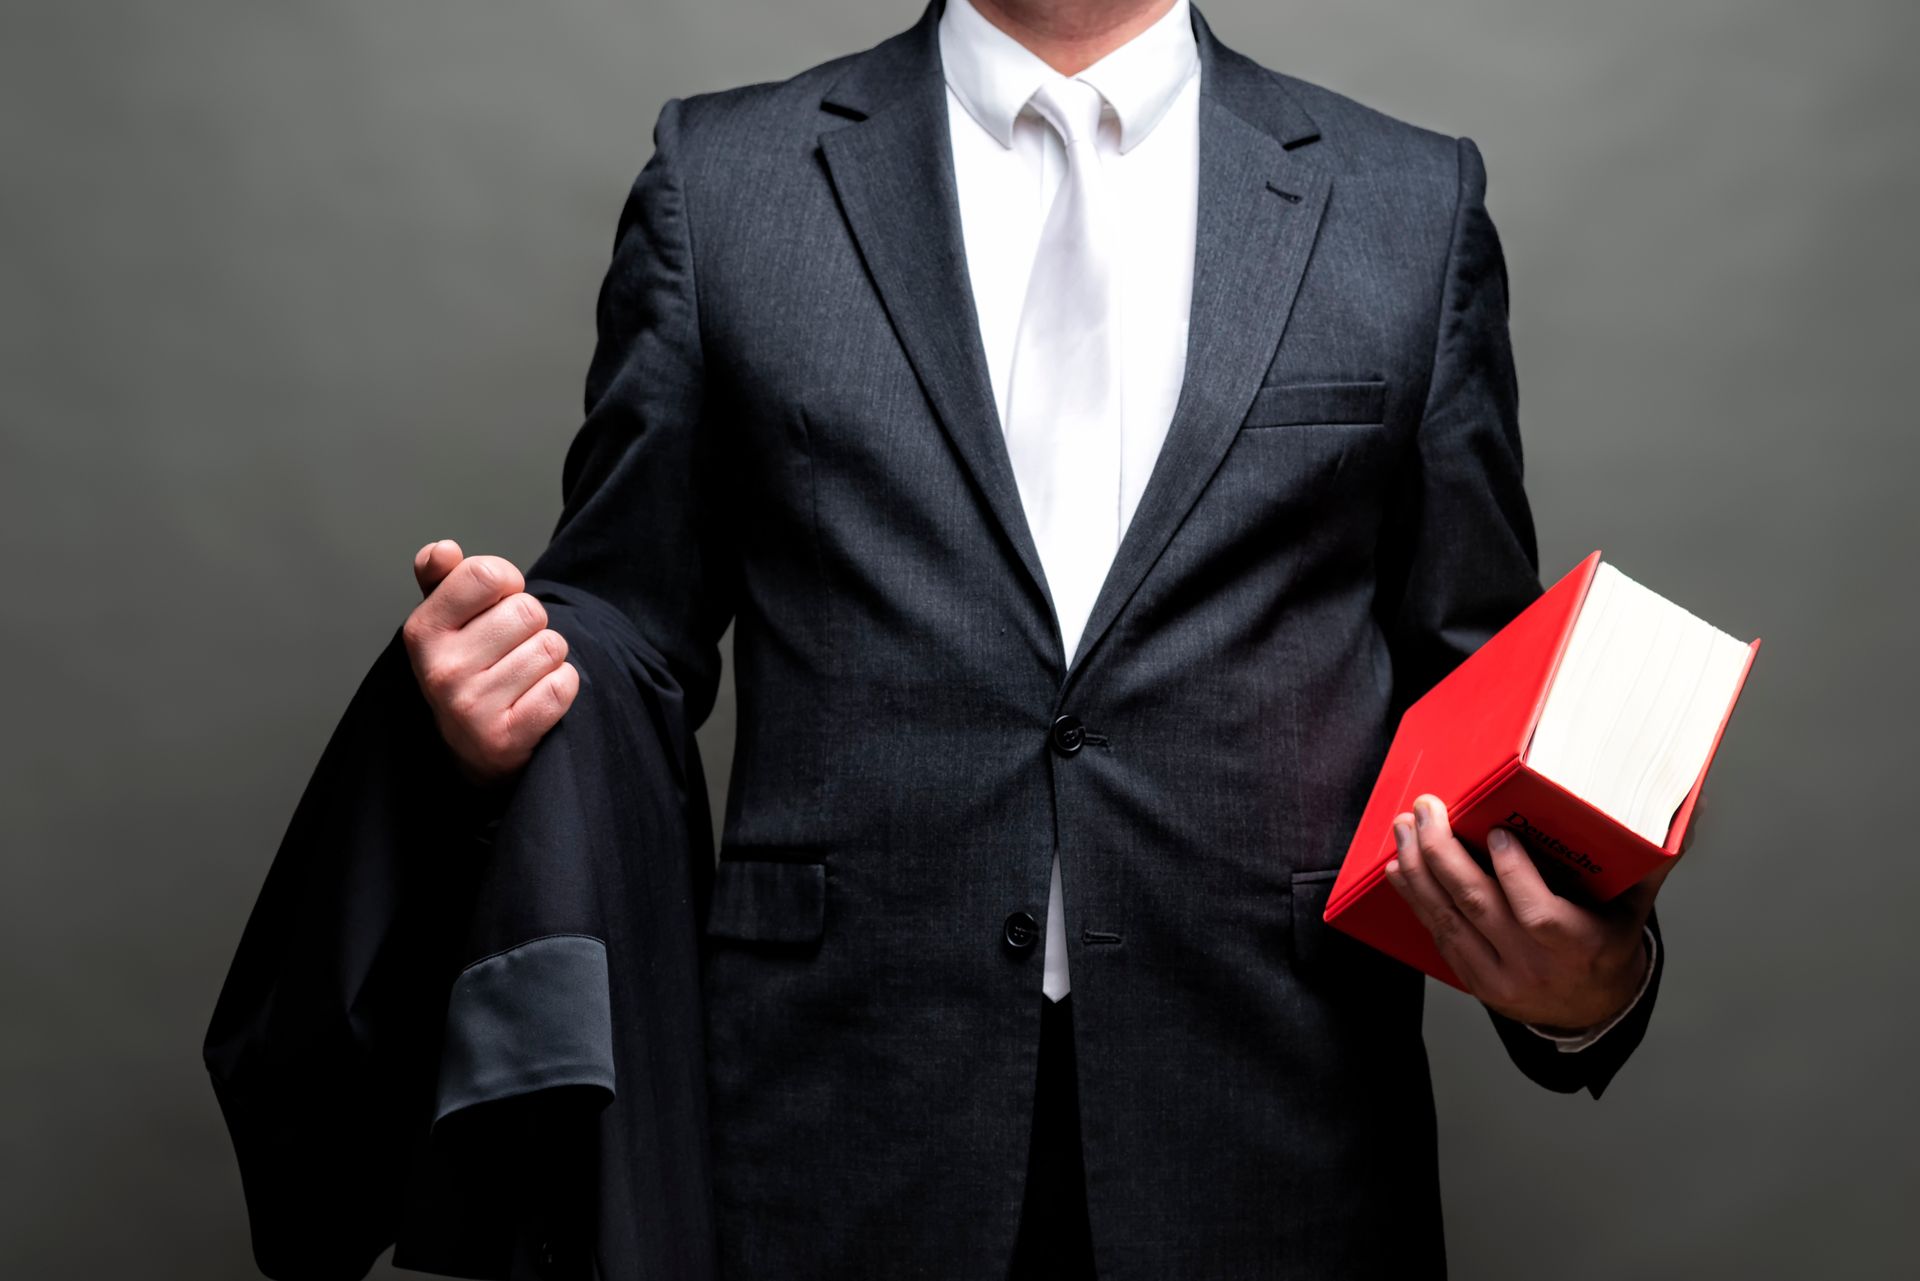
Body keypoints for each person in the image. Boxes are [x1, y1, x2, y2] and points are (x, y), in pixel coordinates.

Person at [208, 1, 1681, 1277]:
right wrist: (486, 697)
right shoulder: (722, 184)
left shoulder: (1405, 205)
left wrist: (1594, 984)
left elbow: (1482, 694)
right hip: (825, 1130)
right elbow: (628, 629)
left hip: (1275, 1137)